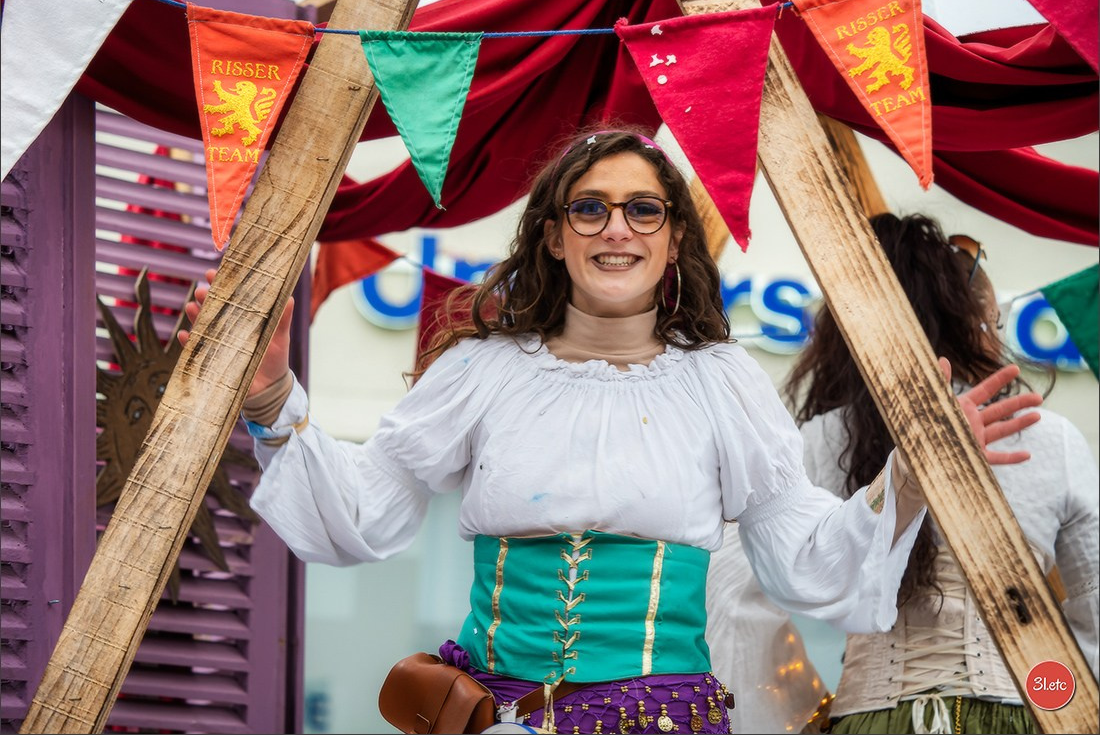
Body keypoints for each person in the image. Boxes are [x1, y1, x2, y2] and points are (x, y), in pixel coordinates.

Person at [183, 131, 1041, 734]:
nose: (616, 229)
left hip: (662, 721)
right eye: (589, 210)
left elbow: (804, 554)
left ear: (673, 241)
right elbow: (364, 511)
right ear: (553, 237)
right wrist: (268, 400)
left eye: (642, 210)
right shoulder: (484, 369)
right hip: (494, 714)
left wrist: (912, 479)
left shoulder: (720, 380)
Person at [709, 213, 1098, 735]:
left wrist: (797, 712)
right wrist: (1070, 707)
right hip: (1024, 718)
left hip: (868, 719)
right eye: (995, 321)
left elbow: (735, 602)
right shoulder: (1048, 436)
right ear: (974, 321)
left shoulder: (819, 439)